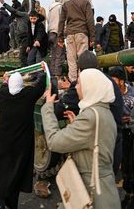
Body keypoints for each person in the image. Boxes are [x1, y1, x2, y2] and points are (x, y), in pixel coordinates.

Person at [41, 68, 121, 209]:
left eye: (79, 83)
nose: (76, 87)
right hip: (103, 188)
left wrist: (48, 108)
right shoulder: (103, 111)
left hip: (91, 193)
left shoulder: (90, 117)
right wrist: (76, 125)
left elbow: (54, 141)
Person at [0, 68, 46, 209]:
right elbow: (40, 86)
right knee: (16, 173)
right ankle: (11, 204)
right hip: (22, 145)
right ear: (21, 85)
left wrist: (5, 80)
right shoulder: (28, 96)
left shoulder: (2, 96)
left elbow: (3, 86)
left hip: (3, 143)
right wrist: (42, 72)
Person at [108, 68, 134, 209]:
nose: (111, 84)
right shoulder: (109, 94)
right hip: (119, 134)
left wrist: (132, 119)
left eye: (114, 81)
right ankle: (128, 194)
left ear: (121, 81)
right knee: (125, 166)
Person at [58, 0, 95, 82]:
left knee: (71, 60)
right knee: (83, 60)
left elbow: (61, 21)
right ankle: (82, 82)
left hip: (70, 34)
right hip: (82, 33)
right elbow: (90, 21)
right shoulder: (86, 3)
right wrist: (92, 38)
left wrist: (60, 38)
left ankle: (73, 83)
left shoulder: (66, 4)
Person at [0, 0, 30, 67]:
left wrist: (4, 4)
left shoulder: (24, 15)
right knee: (22, 56)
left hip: (25, 37)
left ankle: (27, 71)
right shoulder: (19, 18)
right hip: (21, 37)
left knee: (23, 56)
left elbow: (13, 11)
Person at [48, 0, 68, 77]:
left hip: (50, 33)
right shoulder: (61, 7)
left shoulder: (51, 8)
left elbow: (48, 20)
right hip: (57, 33)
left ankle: (52, 75)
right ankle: (57, 76)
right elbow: (63, 21)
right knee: (60, 55)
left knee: (53, 55)